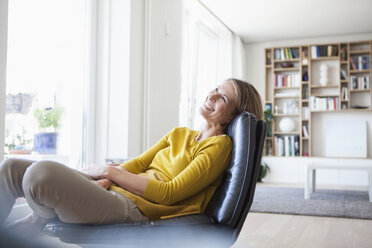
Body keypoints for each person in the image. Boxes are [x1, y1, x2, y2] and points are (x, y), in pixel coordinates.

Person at [0, 78, 262, 237]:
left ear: (233, 116)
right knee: (10, 168)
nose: (212, 95)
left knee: (40, 175)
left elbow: (168, 193)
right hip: (114, 190)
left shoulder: (220, 146)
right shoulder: (180, 133)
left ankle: (38, 219)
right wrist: (106, 180)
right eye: (216, 88)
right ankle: (38, 219)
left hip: (135, 209)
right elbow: (138, 163)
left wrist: (111, 173)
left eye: (223, 97)